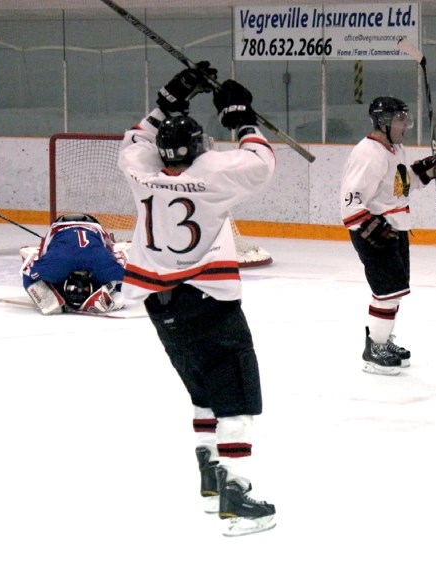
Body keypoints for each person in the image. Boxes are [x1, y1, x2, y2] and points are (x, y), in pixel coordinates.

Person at [117, 62, 277, 536]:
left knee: (202, 391)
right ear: (202, 148)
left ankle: (210, 479)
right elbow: (261, 160)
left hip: (159, 305)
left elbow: (137, 141)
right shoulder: (213, 176)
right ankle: (236, 495)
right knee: (236, 401)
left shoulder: (140, 175)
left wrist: (168, 99)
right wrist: (240, 115)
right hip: (207, 300)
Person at [340, 96, 436, 375]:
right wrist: (372, 229)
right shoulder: (368, 153)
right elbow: (350, 202)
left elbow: (399, 186)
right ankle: (374, 348)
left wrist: (425, 172)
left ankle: (382, 340)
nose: (406, 125)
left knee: (394, 291)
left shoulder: (394, 149)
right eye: (401, 119)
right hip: (374, 231)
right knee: (386, 292)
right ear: (383, 122)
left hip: (395, 227)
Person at [21, 213, 126, 315]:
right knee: (124, 279)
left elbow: (41, 255)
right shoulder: (100, 230)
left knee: (28, 273)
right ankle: (112, 293)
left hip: (62, 260)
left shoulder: (53, 230)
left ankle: (50, 300)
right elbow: (113, 252)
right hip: (96, 260)